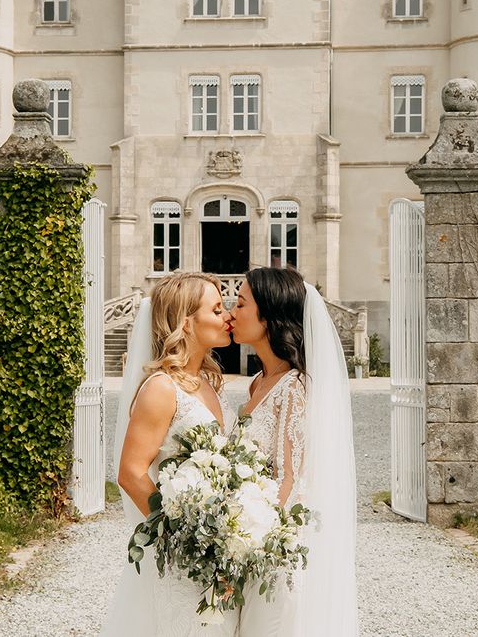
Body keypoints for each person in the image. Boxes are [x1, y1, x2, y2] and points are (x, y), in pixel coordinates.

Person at [106, 272, 238, 637]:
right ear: (186, 322)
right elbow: (130, 473)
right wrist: (182, 535)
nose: (228, 315)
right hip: (186, 549)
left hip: (220, 545)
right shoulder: (161, 389)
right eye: (216, 309)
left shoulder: (210, 382)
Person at [228, 267, 358, 636]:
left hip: (272, 548)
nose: (231, 312)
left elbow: (290, 478)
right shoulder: (258, 382)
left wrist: (245, 541)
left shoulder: (294, 387)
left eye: (240, 303)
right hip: (251, 535)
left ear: (268, 316)